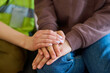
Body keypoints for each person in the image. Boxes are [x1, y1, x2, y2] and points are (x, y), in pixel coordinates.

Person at [33, 0, 110, 73]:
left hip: (97, 32)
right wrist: (50, 35)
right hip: (60, 34)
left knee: (105, 67)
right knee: (48, 66)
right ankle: (89, 63)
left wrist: (72, 41)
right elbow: (44, 5)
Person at [0, 0, 63, 73]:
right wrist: (26, 41)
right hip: (7, 34)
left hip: (28, 33)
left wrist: (49, 37)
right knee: (11, 61)